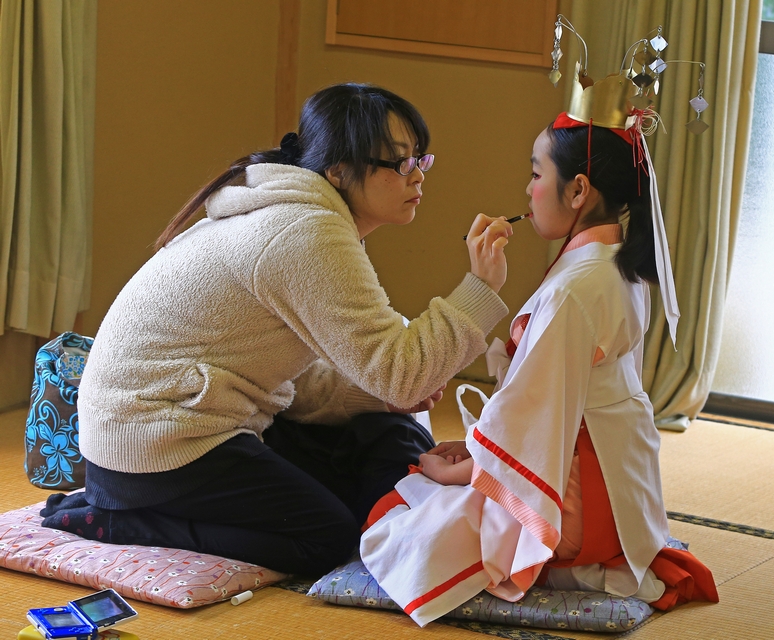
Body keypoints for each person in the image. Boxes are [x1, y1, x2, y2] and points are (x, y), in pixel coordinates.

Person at [39, 83, 513, 577]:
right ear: (338, 171)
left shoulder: (305, 217)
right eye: (399, 163)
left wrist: (380, 398)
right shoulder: (305, 233)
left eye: (419, 158)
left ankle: (139, 506)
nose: (417, 176)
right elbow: (403, 374)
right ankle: (124, 522)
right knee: (324, 536)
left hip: (188, 419)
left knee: (383, 429)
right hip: (156, 442)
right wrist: (479, 288)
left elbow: (302, 377)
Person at [360, 101, 719, 626]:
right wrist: (481, 449)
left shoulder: (575, 288)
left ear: (577, 190)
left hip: (577, 500)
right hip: (619, 487)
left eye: (535, 173)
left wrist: (463, 471)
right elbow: (537, 409)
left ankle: (563, 555)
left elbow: (532, 418)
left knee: (393, 520)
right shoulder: (616, 264)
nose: (527, 189)